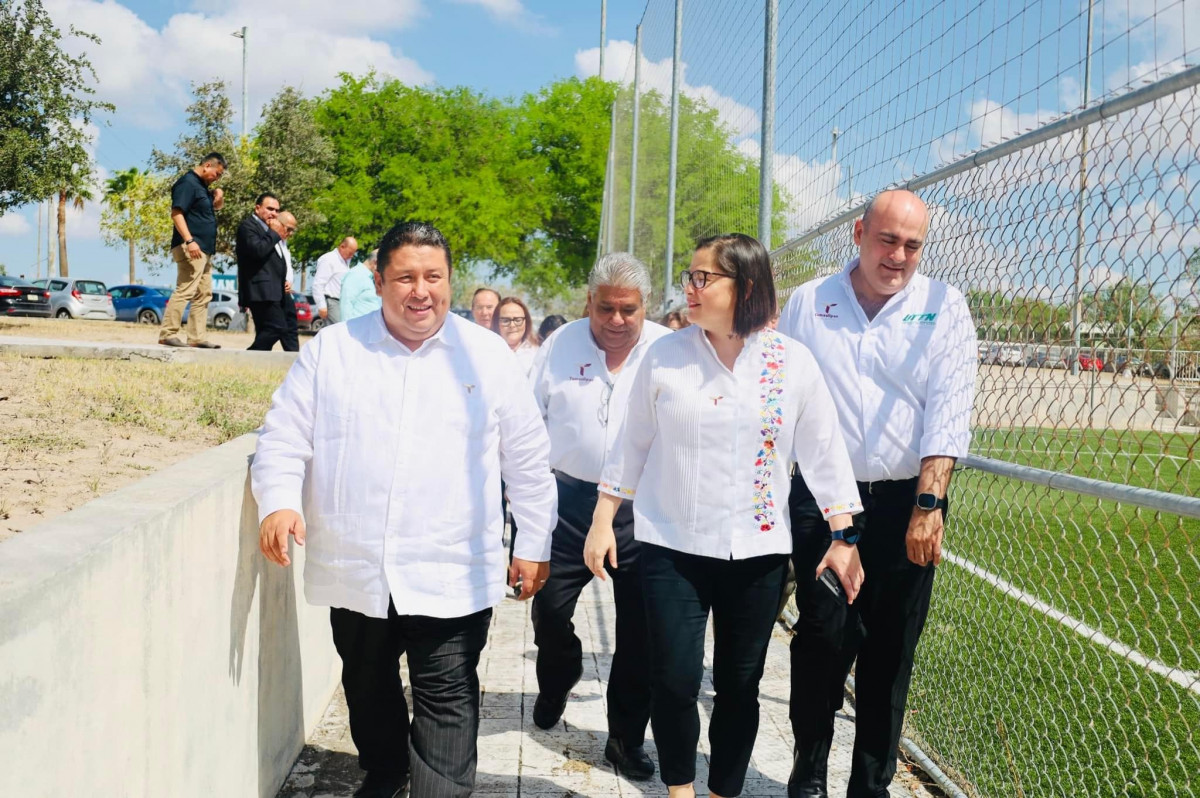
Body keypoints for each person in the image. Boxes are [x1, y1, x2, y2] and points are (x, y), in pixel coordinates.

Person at [252, 221, 557, 798]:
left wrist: (534, 544)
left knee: (448, 694)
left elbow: (527, 460)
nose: (421, 291)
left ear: (450, 280)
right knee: (366, 682)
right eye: (406, 278)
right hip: (357, 562)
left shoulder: (485, 356)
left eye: (433, 277)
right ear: (379, 282)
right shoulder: (336, 351)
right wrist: (279, 502)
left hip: (451, 567)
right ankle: (387, 768)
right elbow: (284, 435)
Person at [587, 234, 864, 798]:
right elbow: (631, 441)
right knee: (675, 679)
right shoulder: (665, 355)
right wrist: (602, 518)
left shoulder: (792, 362)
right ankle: (680, 790)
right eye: (689, 277)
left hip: (759, 552)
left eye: (703, 277)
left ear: (747, 285)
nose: (690, 288)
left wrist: (844, 535)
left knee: (740, 684)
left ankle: (723, 791)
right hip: (672, 546)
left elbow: (824, 452)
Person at [777, 190, 976, 798]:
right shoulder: (810, 301)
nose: (899, 256)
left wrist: (929, 505)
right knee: (823, 637)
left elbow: (948, 411)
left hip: (906, 502)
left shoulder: (944, 306)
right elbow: (782, 397)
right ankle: (808, 772)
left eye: (913, 245)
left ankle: (871, 786)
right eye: (888, 240)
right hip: (824, 500)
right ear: (859, 233)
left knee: (891, 649)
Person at [528, 253, 670, 781]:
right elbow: (530, 421)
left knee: (640, 632)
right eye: (605, 307)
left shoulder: (669, 350)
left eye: (628, 310)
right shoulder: (559, 346)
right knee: (549, 610)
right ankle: (559, 674)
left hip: (643, 510)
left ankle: (625, 740)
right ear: (588, 302)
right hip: (569, 505)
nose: (616, 320)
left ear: (645, 305)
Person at [159, 152, 225, 348]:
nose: (217, 178)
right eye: (217, 173)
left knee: (204, 293)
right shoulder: (187, 183)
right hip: (191, 246)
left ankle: (196, 337)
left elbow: (215, 208)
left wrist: (219, 196)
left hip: (204, 249)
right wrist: (189, 240)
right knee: (185, 289)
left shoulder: (202, 187)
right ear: (207, 165)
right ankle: (168, 333)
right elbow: (176, 213)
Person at [235, 192, 287, 351]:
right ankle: (249, 355)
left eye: (277, 210)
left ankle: (255, 360)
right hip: (260, 290)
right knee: (278, 327)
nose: (274, 213)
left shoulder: (268, 229)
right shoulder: (248, 226)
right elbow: (258, 251)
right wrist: (274, 233)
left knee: (265, 330)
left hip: (273, 290)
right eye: (270, 209)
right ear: (257, 208)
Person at [311, 237, 358, 324]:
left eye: (353, 253)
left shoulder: (345, 262)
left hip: (341, 303)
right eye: (350, 253)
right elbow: (318, 284)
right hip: (332, 302)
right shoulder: (329, 259)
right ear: (342, 246)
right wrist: (321, 306)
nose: (352, 256)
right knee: (341, 329)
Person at [491, 296, 539, 378]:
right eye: (505, 320)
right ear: (496, 323)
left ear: (526, 322)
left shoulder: (538, 354)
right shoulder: (486, 353)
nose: (512, 325)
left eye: (518, 320)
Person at [276, 211, 301, 352]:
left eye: (293, 230)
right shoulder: (271, 241)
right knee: (273, 329)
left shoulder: (284, 244)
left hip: (286, 293)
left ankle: (294, 357)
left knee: (291, 328)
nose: (290, 233)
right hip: (275, 293)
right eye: (288, 229)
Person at [340, 249, 383, 321]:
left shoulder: (371, 277)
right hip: (356, 325)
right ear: (375, 263)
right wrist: (345, 326)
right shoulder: (356, 274)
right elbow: (346, 303)